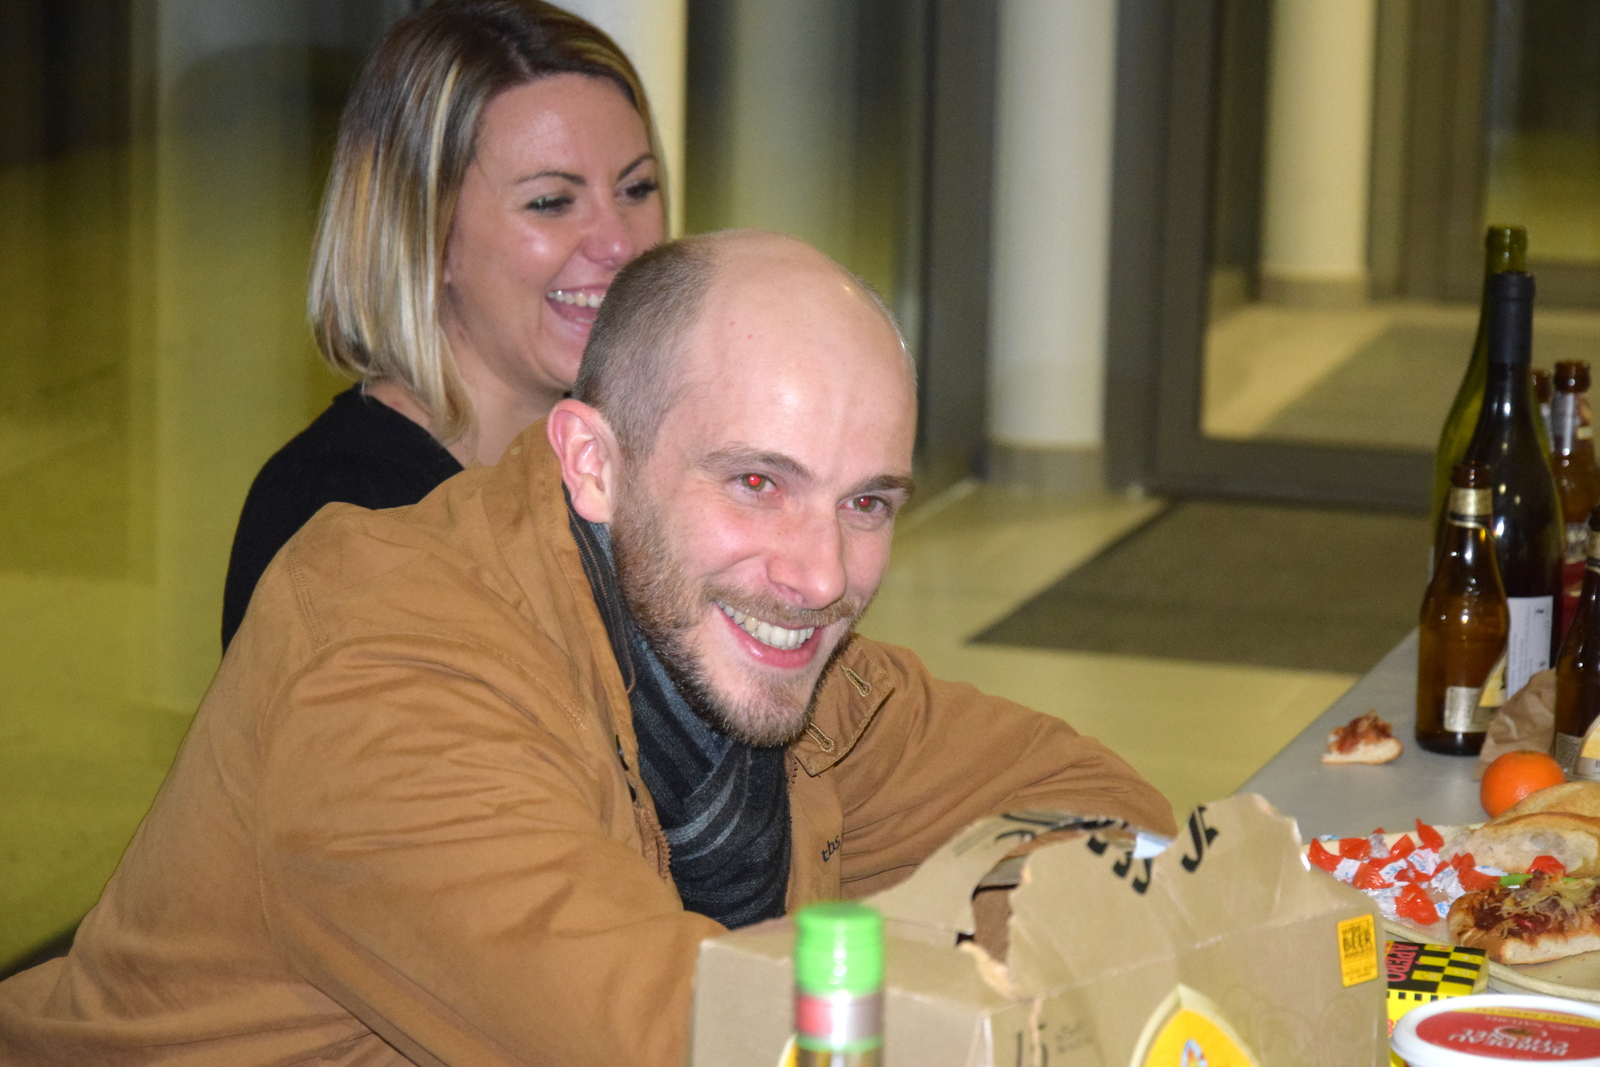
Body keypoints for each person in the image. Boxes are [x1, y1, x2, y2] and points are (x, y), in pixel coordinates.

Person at [0, 231, 1175, 1066]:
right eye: (756, 482)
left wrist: (964, 965)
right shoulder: (386, 661)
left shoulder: (760, 653)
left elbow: (1118, 827)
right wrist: (958, 984)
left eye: (865, 502)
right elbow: (671, 1038)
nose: (822, 577)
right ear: (593, 464)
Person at [220, 0, 666, 648]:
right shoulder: (344, 514)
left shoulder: (636, 460)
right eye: (551, 202)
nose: (619, 243)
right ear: (425, 231)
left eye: (637, 189)